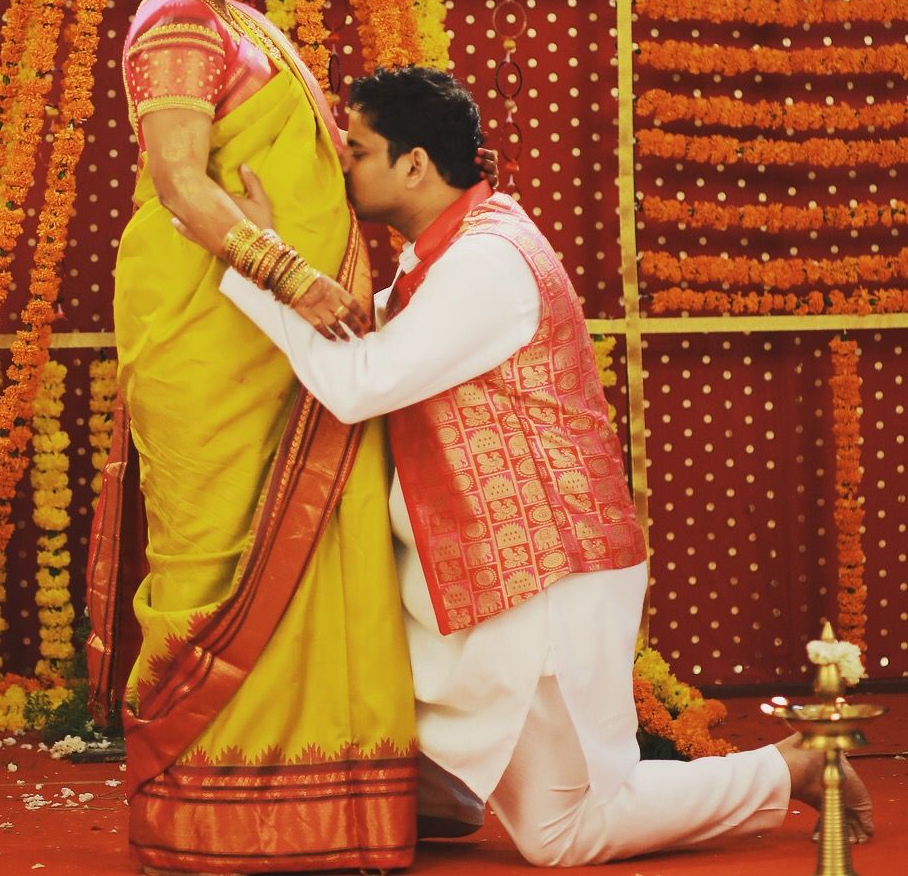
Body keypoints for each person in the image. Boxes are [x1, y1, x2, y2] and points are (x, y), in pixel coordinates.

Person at [191, 65, 875, 866]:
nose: (343, 162)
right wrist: (271, 256)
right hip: (485, 569)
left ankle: (789, 767)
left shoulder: (488, 262)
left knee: (564, 833)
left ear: (415, 165)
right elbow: (368, 343)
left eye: (359, 147)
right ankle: (425, 796)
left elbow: (360, 382)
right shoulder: (445, 251)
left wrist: (258, 265)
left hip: (544, 578)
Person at [85, 0, 418, 874]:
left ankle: (320, 796)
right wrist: (290, 272)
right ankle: (214, 811)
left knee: (305, 539)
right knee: (218, 550)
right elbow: (181, 182)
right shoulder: (177, 26)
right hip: (215, 326)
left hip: (272, 332)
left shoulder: (234, 19)